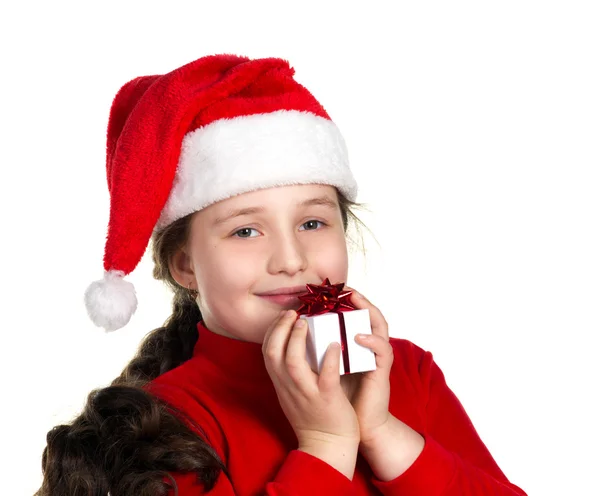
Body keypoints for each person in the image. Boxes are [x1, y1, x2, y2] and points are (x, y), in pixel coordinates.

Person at [36, 54, 527, 495]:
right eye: (246, 231)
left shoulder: (408, 372)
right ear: (185, 265)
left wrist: (381, 431)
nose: (292, 259)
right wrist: (327, 445)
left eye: (312, 222)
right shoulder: (160, 425)